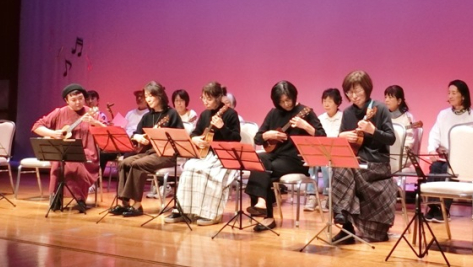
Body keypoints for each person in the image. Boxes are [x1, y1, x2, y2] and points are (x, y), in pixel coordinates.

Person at [245, 81, 326, 232]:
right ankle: (263, 205)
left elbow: (322, 137)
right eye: (281, 102)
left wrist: (306, 126)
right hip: (276, 156)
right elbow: (258, 139)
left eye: (288, 100)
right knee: (260, 160)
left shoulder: (305, 112)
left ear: (294, 96)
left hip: (296, 160)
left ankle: (265, 212)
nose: (286, 104)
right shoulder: (273, 113)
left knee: (264, 169)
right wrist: (268, 134)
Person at [331, 70, 396, 243]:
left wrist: (373, 131)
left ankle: (343, 217)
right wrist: (342, 136)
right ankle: (345, 224)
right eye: (349, 92)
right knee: (341, 166)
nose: (353, 96)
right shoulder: (347, 113)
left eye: (357, 91)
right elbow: (342, 142)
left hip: (376, 165)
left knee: (343, 170)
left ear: (366, 89)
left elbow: (391, 138)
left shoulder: (379, 109)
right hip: (355, 163)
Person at [164, 81, 241, 226]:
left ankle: (211, 214)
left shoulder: (231, 114)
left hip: (223, 156)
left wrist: (222, 127)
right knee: (189, 168)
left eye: (209, 99)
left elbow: (236, 139)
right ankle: (183, 210)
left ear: (218, 98)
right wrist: (195, 139)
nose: (205, 102)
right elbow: (195, 133)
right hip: (206, 155)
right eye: (203, 98)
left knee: (208, 171)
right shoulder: (205, 114)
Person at [109, 81, 184, 217]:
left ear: (159, 96)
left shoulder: (171, 114)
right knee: (124, 162)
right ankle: (124, 203)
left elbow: (180, 137)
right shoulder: (147, 116)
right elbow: (135, 134)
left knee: (138, 164)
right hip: (149, 153)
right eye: (146, 96)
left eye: (151, 96)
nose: (148, 99)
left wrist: (162, 134)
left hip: (166, 155)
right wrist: (138, 137)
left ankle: (137, 205)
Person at [32, 83, 105, 213]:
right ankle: (56, 197)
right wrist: (53, 133)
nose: (78, 102)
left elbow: (106, 130)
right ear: (67, 101)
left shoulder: (91, 113)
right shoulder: (59, 112)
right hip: (62, 150)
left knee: (74, 161)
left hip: (86, 152)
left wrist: (95, 122)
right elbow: (37, 127)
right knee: (58, 162)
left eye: (81, 98)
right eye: (74, 100)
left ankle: (80, 198)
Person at [425, 79, 473, 223]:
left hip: (461, 159)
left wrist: (458, 153)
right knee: (435, 167)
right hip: (444, 156)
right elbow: (434, 134)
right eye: (449, 93)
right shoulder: (443, 114)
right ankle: (434, 207)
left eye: (454, 93)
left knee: (448, 169)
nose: (450, 96)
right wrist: (432, 150)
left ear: (463, 96)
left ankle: (445, 208)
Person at [305, 88, 343, 213]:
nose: (326, 104)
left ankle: (327, 196)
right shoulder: (320, 118)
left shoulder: (343, 118)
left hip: (336, 153)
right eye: (324, 101)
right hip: (321, 151)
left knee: (326, 164)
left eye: (330, 101)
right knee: (313, 163)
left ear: (337, 103)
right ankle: (312, 196)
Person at [384, 85, 417, 171]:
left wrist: (397, 154)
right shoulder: (384, 117)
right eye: (386, 97)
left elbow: (409, 143)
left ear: (399, 101)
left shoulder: (408, 118)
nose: (386, 100)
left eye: (390, 97)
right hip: (386, 156)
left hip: (402, 157)